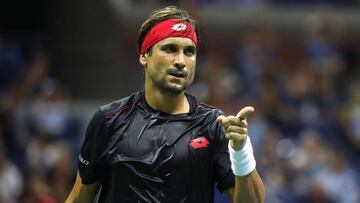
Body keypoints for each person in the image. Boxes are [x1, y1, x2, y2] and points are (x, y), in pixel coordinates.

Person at [66, 6, 265, 203]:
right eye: (170, 49)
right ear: (145, 55)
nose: (181, 61)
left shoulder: (215, 124)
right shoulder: (108, 120)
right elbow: (79, 198)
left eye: (189, 52)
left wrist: (241, 152)